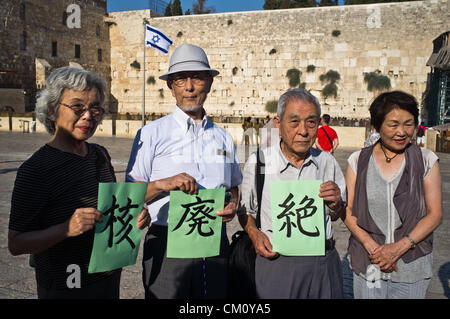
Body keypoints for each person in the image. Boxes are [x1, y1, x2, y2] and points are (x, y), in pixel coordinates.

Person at [8, 67, 150, 299]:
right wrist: (65, 229)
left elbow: (111, 209)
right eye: (77, 107)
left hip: (107, 275)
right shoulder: (36, 169)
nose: (88, 116)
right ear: (53, 110)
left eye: (95, 108)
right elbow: (16, 243)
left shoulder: (100, 155)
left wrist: (132, 214)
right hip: (65, 283)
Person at [126, 44, 242, 299]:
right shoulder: (151, 134)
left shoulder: (223, 138)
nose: (189, 87)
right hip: (167, 245)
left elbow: (233, 187)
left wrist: (232, 205)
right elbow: (131, 196)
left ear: (209, 83)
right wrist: (163, 184)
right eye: (180, 79)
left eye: (197, 78)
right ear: (171, 86)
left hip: (214, 243)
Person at [238, 88, 346, 299]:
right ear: (278, 124)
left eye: (311, 122)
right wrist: (254, 233)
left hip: (322, 262)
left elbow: (336, 214)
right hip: (276, 262)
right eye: (294, 122)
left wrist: (336, 205)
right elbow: (246, 211)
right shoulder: (259, 163)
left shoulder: (327, 162)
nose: (303, 131)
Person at [344, 91, 442, 299]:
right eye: (393, 124)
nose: (402, 132)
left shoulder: (426, 160)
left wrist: (398, 248)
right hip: (369, 263)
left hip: (412, 266)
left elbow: (435, 215)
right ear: (377, 126)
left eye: (409, 124)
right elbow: (349, 210)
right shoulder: (357, 161)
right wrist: (373, 247)